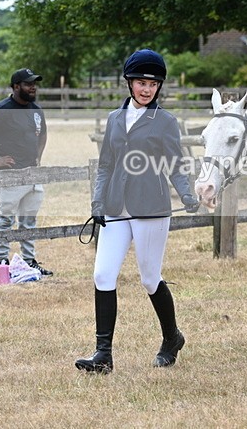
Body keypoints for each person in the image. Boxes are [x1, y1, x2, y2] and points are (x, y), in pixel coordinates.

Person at [75, 49, 200, 374]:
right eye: (141, 83)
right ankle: (103, 355)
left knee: (148, 278)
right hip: (116, 207)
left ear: (159, 87)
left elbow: (174, 165)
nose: (147, 89)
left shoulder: (165, 122)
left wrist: (187, 195)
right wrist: (97, 202)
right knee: (103, 275)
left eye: (153, 84)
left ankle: (171, 338)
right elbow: (105, 165)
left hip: (151, 210)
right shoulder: (115, 118)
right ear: (129, 83)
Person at [0, 69, 52, 275]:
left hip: (33, 174)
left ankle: (29, 261)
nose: (33, 87)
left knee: (29, 220)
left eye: (34, 84)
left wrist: (38, 156)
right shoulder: (2, 109)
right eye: (28, 83)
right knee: (6, 220)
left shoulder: (36, 110)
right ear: (15, 87)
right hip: (10, 175)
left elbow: (43, 134)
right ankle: (2, 262)